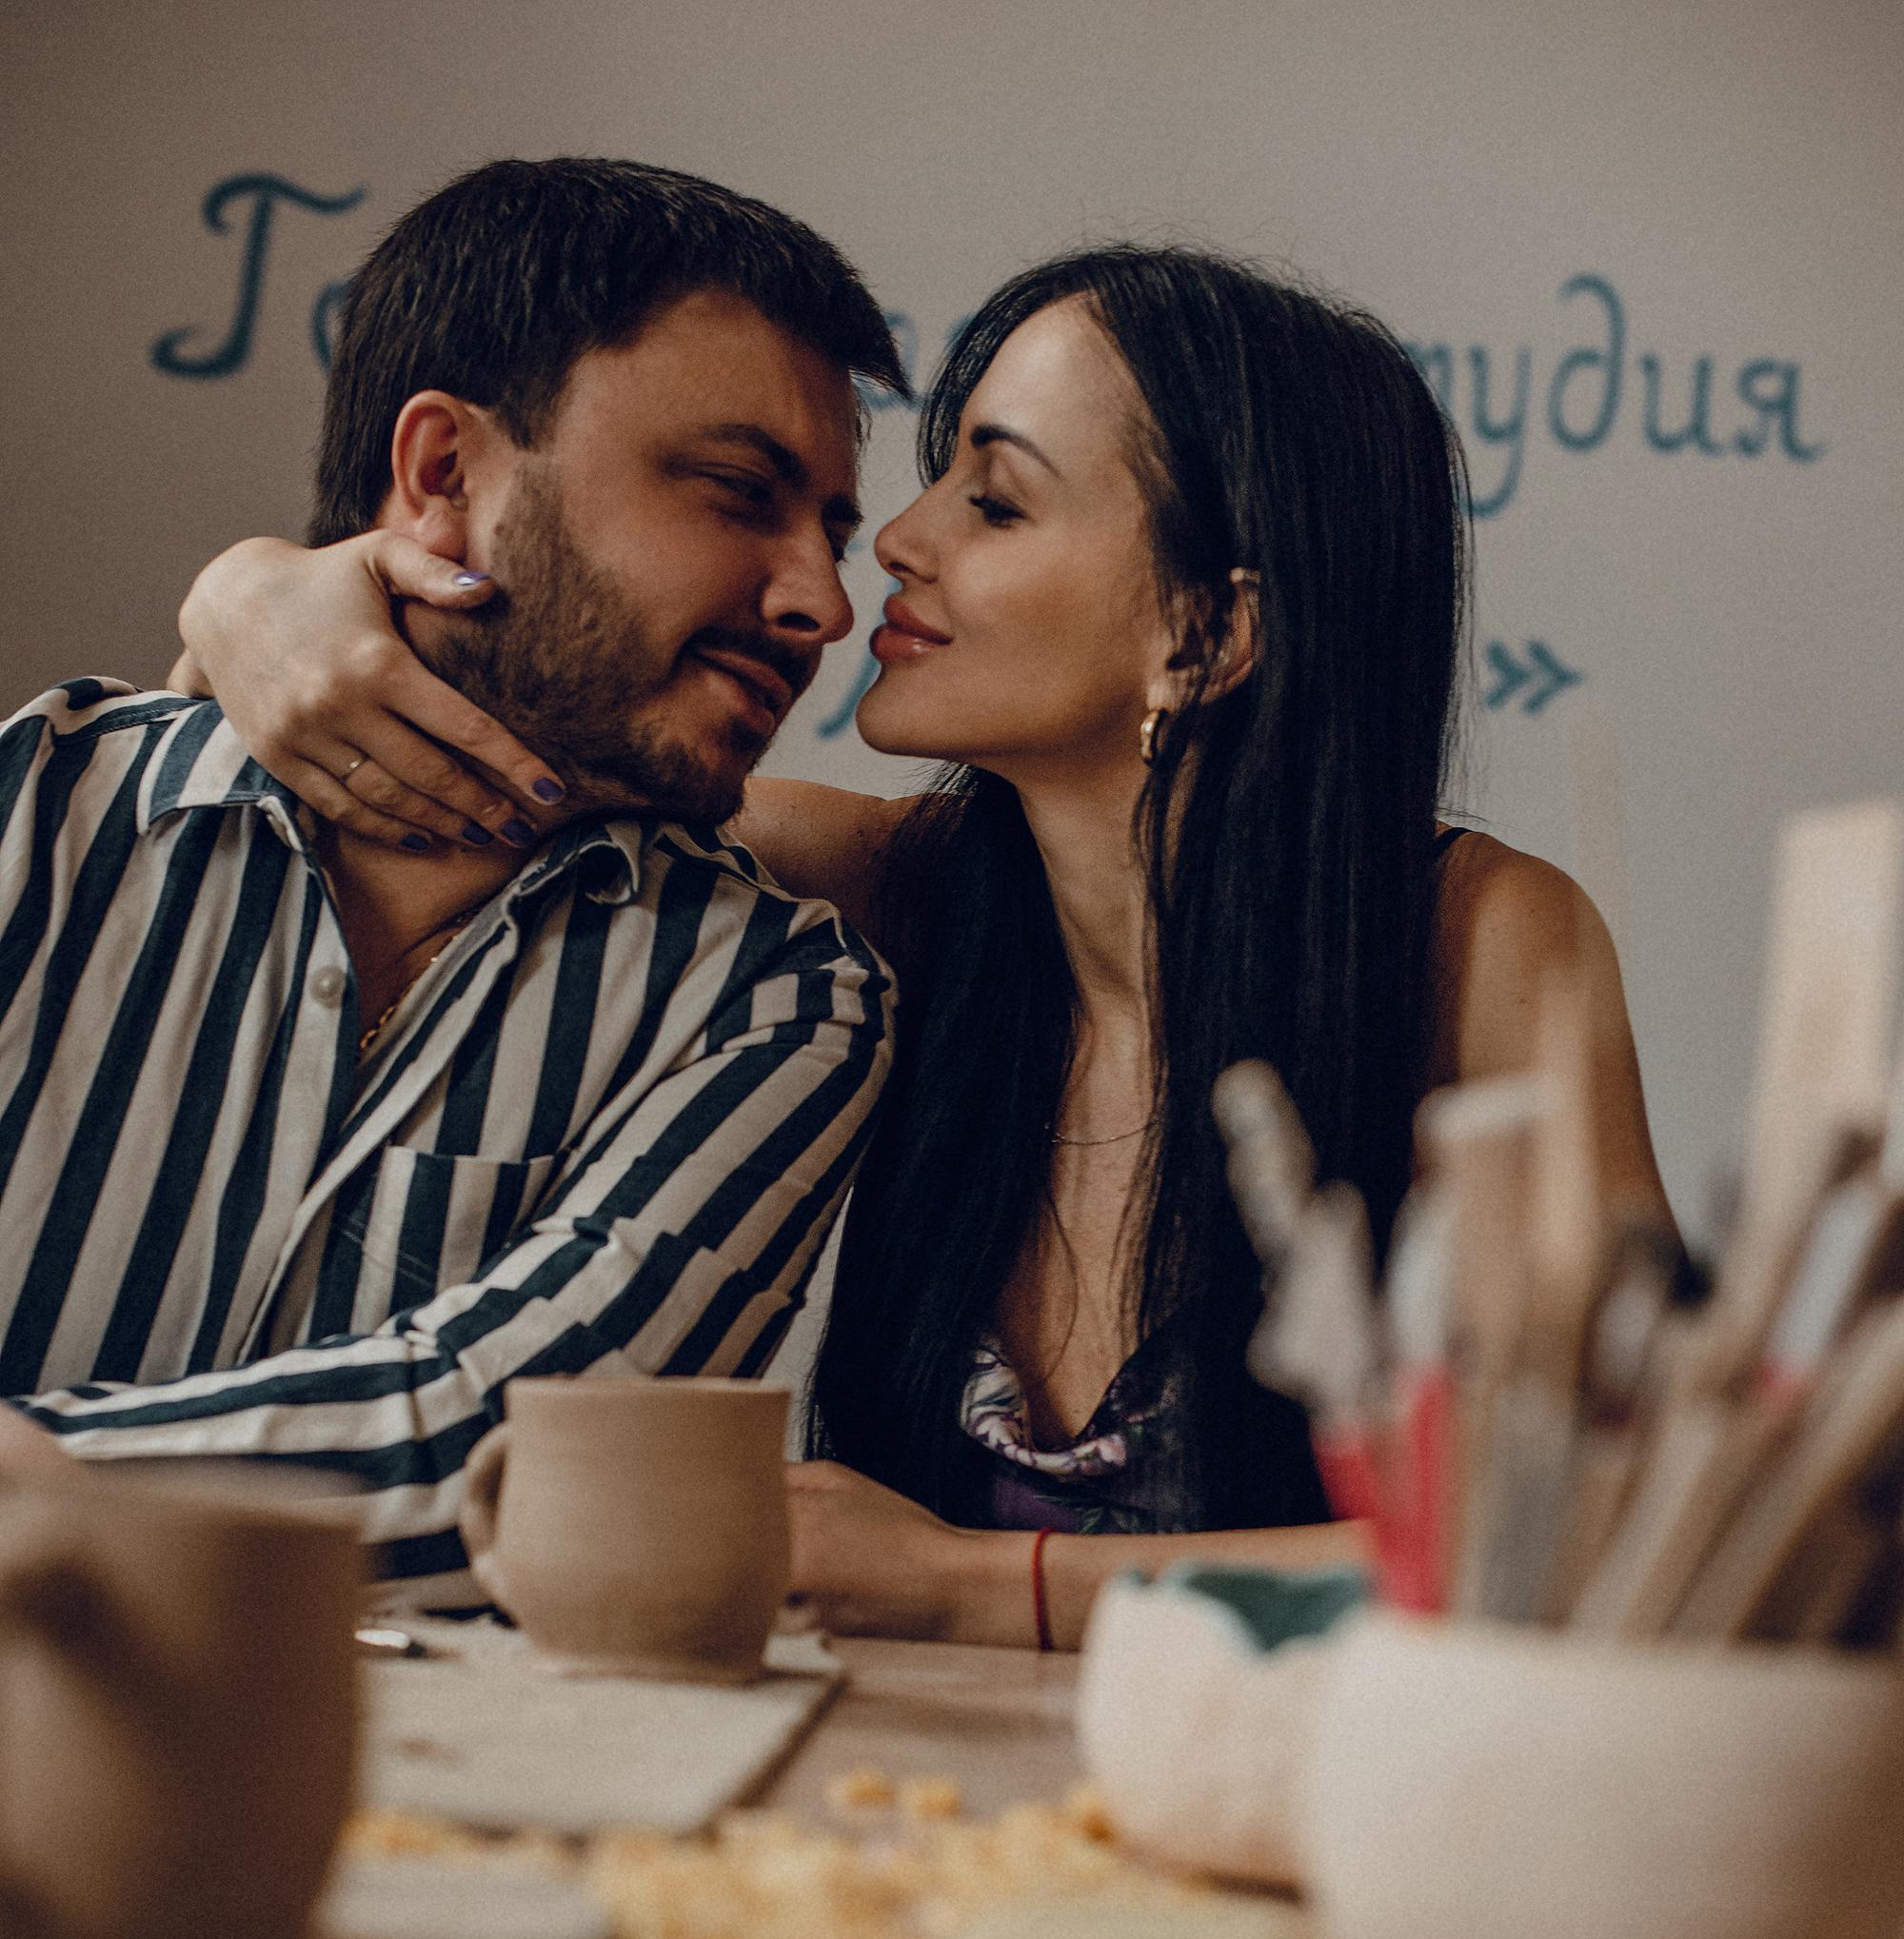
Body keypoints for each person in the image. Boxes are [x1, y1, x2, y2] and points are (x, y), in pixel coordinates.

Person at [177, 243, 1666, 1640]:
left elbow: (1609, 1524)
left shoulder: (1487, 943)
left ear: (1204, 637)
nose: (892, 542)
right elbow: (479, 731)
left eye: (995, 502)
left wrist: (975, 1581)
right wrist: (245, 601)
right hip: (903, 1826)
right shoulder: (882, 889)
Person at [0, 158, 902, 1596]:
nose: (822, 602)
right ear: (444, 475)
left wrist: (33, 1483)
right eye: (739, 494)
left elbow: (521, 1451)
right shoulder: (33, 816)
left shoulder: (782, 1000)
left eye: (836, 536)